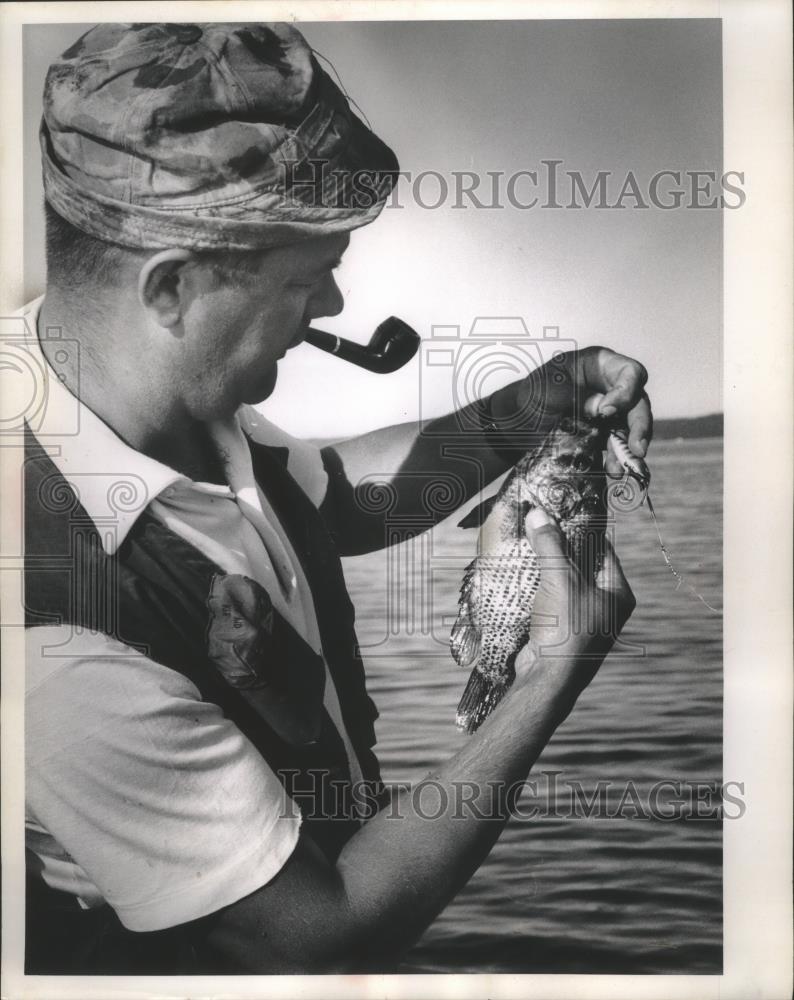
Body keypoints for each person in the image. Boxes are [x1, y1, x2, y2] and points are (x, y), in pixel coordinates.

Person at [22, 22, 652, 974]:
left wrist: (547, 397)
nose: (329, 314)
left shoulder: (138, 388)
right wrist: (551, 672)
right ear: (172, 288)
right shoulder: (47, 633)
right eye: (310, 281)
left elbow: (341, 502)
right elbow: (324, 933)